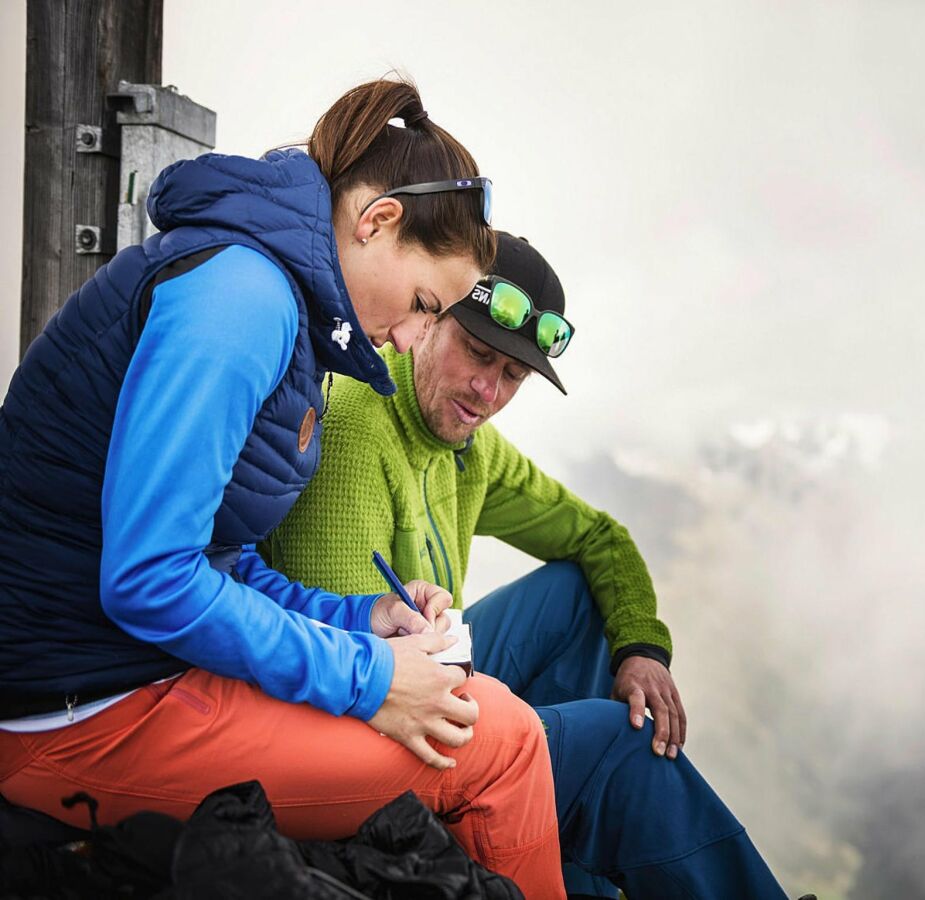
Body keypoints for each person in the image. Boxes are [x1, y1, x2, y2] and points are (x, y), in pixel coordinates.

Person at [0, 78, 566, 898]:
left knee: (479, 714)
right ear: (377, 222)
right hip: (79, 716)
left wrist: (359, 619)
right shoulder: (242, 299)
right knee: (501, 741)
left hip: (129, 678)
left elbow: (217, 559)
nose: (411, 339)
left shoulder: (280, 305)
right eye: (420, 304)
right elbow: (148, 580)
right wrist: (369, 678)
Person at [265, 233, 791, 899]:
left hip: (429, 675)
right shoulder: (359, 427)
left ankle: (552, 847)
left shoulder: (468, 448)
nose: (488, 390)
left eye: (514, 374)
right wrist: (501, 734)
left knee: (578, 593)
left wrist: (640, 648)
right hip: (357, 731)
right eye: (478, 352)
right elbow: (357, 680)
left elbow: (601, 539)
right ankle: (552, 833)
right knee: (618, 747)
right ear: (430, 319)